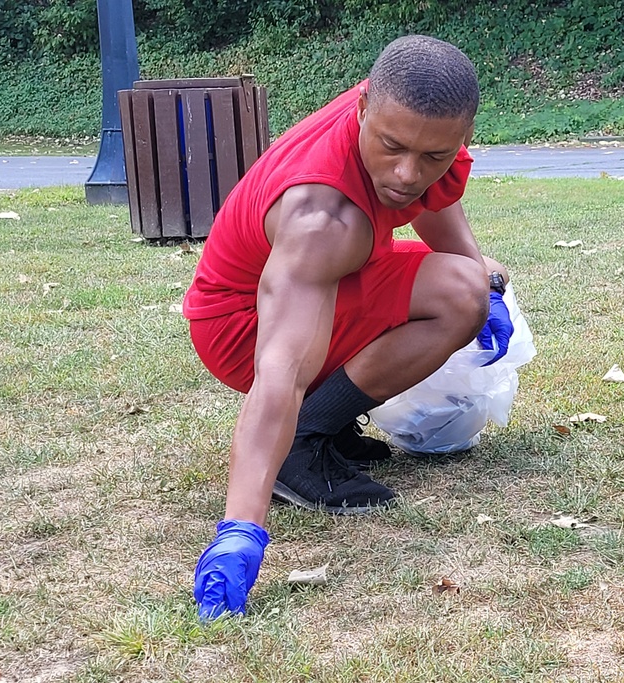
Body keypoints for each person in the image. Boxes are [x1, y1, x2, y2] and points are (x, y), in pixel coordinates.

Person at [182, 35, 514, 620]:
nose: (408, 174)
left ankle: (323, 426)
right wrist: (241, 528)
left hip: (336, 278)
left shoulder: (407, 118)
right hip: (241, 326)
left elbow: (434, 202)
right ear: (362, 110)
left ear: (461, 138)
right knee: (457, 296)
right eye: (392, 148)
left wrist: (483, 287)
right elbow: (280, 371)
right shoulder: (322, 218)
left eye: (434, 156)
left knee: (467, 289)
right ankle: (304, 446)